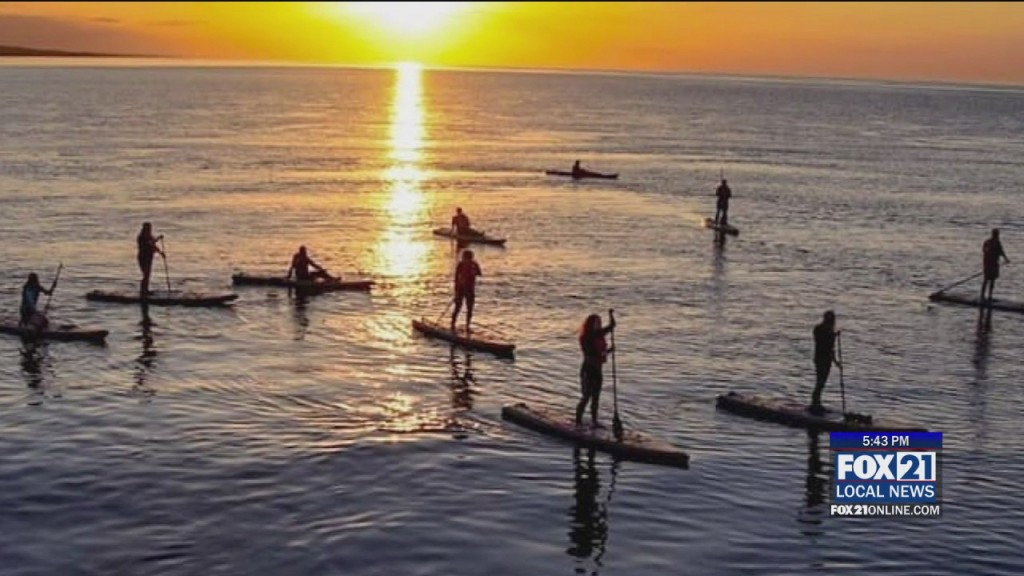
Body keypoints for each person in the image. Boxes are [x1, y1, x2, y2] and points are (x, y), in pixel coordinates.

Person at [575, 310, 615, 427]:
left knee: (596, 397)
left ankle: (594, 421)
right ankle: (578, 421)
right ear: (590, 324)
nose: (598, 325)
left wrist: (610, 315)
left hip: (598, 370)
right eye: (596, 323)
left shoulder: (598, 334)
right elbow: (592, 354)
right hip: (588, 370)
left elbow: (612, 326)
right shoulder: (585, 337)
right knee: (586, 396)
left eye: (599, 322)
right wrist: (606, 352)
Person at [810, 310, 841, 414]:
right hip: (822, 359)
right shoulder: (823, 330)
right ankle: (815, 404)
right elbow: (828, 346)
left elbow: (829, 347)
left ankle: (816, 403)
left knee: (821, 382)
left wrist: (833, 336)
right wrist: (833, 336)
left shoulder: (820, 329)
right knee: (820, 382)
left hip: (822, 359)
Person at [451, 249, 482, 332]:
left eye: (467, 258)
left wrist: (474, 272)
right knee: (458, 307)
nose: (466, 260)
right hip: (461, 289)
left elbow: (480, 273)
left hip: (470, 289)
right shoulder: (460, 265)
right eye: (465, 258)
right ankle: (452, 324)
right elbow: (456, 277)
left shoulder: (474, 264)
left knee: (470, 309)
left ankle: (467, 326)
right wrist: (456, 290)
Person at [980, 228, 1009, 304]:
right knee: (986, 280)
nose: (997, 236)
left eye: (998, 234)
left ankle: (990, 296)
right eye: (996, 234)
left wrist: (1006, 259)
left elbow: (1001, 251)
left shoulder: (998, 243)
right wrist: (988, 251)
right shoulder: (988, 242)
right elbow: (984, 250)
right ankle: (982, 296)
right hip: (988, 264)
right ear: (993, 234)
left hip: (995, 264)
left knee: (993, 281)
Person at [137, 222, 164, 296]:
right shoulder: (141, 237)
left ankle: (146, 290)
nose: (149, 229)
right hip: (143, 257)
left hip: (149, 257)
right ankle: (143, 291)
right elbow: (150, 243)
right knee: (145, 274)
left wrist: (161, 253)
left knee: (148, 274)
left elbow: (153, 246)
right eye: (148, 228)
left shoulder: (150, 236)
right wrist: (158, 238)